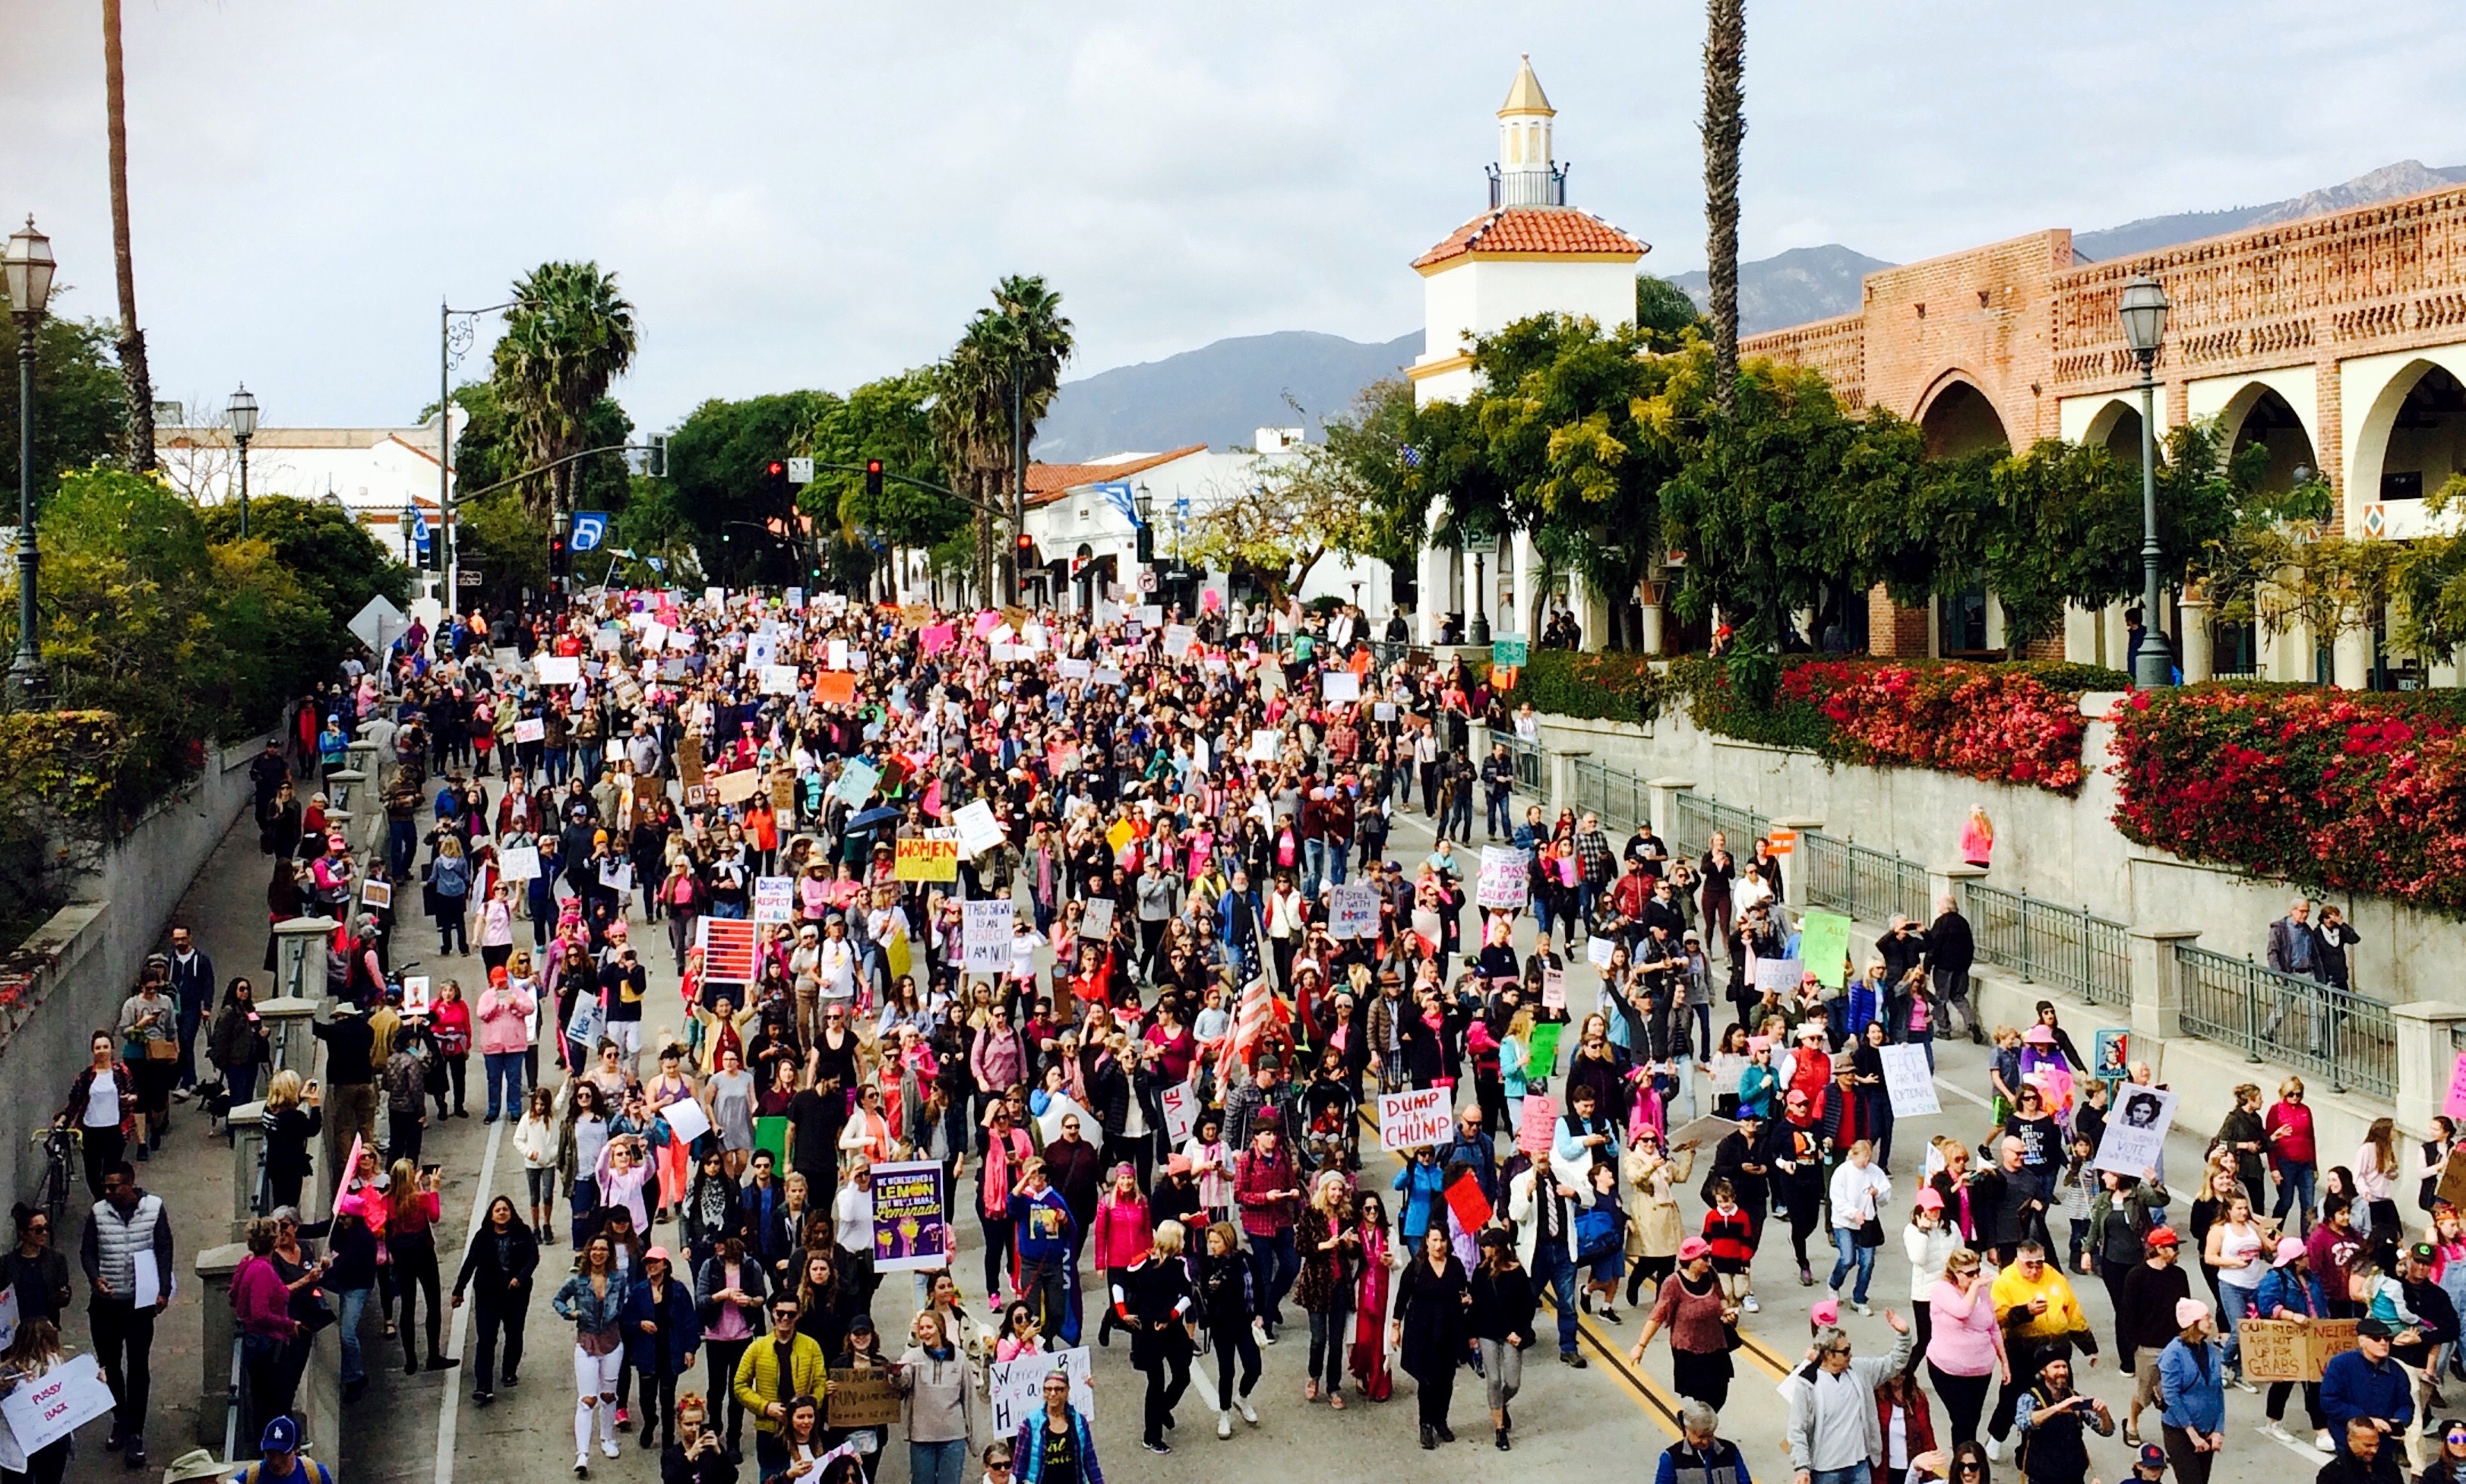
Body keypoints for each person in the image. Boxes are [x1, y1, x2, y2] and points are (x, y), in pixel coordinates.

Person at [81, 1159, 172, 1467]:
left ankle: (135, 1431)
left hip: (138, 1304)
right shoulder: (97, 1212)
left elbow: (164, 1248)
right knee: (110, 1365)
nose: (107, 1191)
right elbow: (88, 1251)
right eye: (105, 1186)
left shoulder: (154, 1208)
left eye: (113, 1186)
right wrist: (95, 1278)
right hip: (106, 1305)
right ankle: (120, 1417)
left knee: (138, 1367)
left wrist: (163, 1289)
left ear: (130, 1184)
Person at [1784, 1315, 1917, 1484]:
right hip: (1826, 1471)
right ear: (1828, 1355)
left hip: (1859, 1466)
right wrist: (1802, 1467)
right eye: (1845, 1351)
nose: (1850, 1354)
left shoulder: (1860, 1370)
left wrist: (1904, 1335)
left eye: (1850, 1348)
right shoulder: (1808, 1384)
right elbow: (1797, 1429)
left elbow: (1894, 1363)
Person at [1111, 1219, 1196, 1454]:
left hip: (1171, 1326)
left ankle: (1162, 1410)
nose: (1185, 1242)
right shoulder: (1142, 1263)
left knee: (1182, 1376)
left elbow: (1189, 1295)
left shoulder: (1182, 1265)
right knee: (1156, 1382)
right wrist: (1122, 1312)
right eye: (1181, 1238)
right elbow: (1118, 1284)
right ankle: (1152, 1436)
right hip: (1146, 1330)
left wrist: (1172, 1315)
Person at [1631, 1236, 1740, 1412]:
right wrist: (1640, 1345)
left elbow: (1721, 1299)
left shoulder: (1710, 1274)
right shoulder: (1673, 1284)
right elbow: (1658, 1315)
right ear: (1691, 1260)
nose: (1708, 1261)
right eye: (1704, 1258)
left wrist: (1726, 1312)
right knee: (1702, 1400)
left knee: (1720, 1395)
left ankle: (1699, 1429)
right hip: (1690, 1351)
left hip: (1716, 1345)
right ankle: (1696, 1431)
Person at [452, 1195, 539, 1407]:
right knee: (486, 1339)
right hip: (488, 1294)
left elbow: (533, 1257)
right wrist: (459, 1290)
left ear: (511, 1212)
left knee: (514, 1332)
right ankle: (483, 1385)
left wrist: (521, 1277)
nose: (502, 1213)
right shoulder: (482, 1237)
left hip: (515, 1294)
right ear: (491, 1215)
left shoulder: (523, 1232)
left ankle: (509, 1371)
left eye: (505, 1209)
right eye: (498, 1210)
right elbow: (470, 1262)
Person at [556, 1235, 634, 1476]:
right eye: (595, 1249)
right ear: (589, 1252)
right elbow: (558, 1299)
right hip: (587, 1341)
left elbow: (625, 1302)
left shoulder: (619, 1279)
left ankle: (607, 1438)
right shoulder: (578, 1280)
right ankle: (582, 1454)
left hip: (612, 1340)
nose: (598, 1253)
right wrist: (570, 1313)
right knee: (588, 1399)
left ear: (609, 1254)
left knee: (609, 1395)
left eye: (603, 1249)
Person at [729, 1299, 825, 1484]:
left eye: (791, 1314)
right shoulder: (757, 1348)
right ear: (773, 1313)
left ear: (798, 1315)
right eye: (781, 1313)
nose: (785, 1318)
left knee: (808, 1476)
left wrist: (809, 1405)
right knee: (770, 1477)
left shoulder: (811, 1346)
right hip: (770, 1428)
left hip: (804, 1429)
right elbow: (740, 1385)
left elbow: (820, 1382)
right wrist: (765, 1407)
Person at [1393, 1224, 1470, 1450]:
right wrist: (1395, 1327)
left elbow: (1464, 1289)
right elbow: (1402, 1297)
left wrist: (1467, 1300)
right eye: (1434, 1240)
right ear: (1426, 1241)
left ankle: (1440, 1420)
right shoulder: (1416, 1267)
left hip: (1449, 1329)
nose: (1439, 1246)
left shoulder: (1455, 1265)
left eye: (1442, 1241)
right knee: (1428, 1380)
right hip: (1422, 1331)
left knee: (1446, 1380)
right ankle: (1425, 1423)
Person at [1928, 1246, 2010, 1447]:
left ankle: (1968, 1459)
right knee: (1962, 1421)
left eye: (1977, 1272)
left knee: (1972, 1421)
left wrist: (2004, 1363)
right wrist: (1975, 1287)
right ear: (1956, 1274)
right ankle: (1964, 1466)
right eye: (1970, 1274)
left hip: (1981, 1370)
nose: (1976, 1277)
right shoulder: (1942, 1290)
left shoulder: (1981, 1292)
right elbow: (1962, 1311)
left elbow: (1993, 1328)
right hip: (1949, 1370)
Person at [1469, 1227, 1536, 1449]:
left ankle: (1500, 1403)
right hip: (1488, 1332)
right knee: (1494, 1380)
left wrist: (1519, 1331)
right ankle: (1499, 1429)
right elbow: (1477, 1307)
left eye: (1486, 1245)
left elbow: (1527, 1306)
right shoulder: (1480, 1273)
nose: (1482, 1248)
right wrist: (1471, 1335)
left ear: (1496, 1249)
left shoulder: (1517, 1273)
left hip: (1511, 1336)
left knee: (1513, 1383)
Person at [1195, 1220, 1262, 1437]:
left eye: (1216, 1241)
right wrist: (1212, 1287)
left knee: (1254, 1366)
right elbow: (1203, 1291)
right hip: (1220, 1323)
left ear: (1228, 1240)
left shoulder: (1245, 1260)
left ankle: (1241, 1398)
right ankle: (1224, 1413)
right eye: (1210, 1242)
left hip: (1244, 1321)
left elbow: (1258, 1287)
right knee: (1227, 1370)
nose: (1213, 1246)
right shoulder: (1207, 1264)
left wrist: (1260, 1314)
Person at [2324, 1319, 2417, 1468]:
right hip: (2349, 1442)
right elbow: (2330, 1401)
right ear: (2361, 1342)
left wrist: (2400, 1420)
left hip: (2384, 1445)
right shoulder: (2341, 1365)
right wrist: (2366, 1421)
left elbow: (2406, 1404)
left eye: (2387, 1339)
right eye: (2376, 1338)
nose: (2383, 1343)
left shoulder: (2396, 1371)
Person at [2012, 1353, 2116, 1484]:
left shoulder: (2076, 1398)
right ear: (2043, 1371)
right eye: (2056, 1367)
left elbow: (2107, 1431)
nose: (2062, 1371)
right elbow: (2023, 1422)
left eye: (2064, 1367)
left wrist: (2104, 1413)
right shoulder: (2030, 1398)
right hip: (2042, 1476)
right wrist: (2057, 1409)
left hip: (2074, 1476)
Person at [2157, 1300, 2229, 1484]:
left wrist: (2219, 1429)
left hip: (2207, 1428)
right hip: (2180, 1430)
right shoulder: (2173, 1354)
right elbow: (2172, 1395)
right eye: (2206, 1318)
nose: (2211, 1322)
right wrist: (2192, 1434)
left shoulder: (2212, 1351)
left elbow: (2217, 1392)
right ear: (2194, 1322)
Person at [1010, 1369, 1102, 1484]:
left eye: (1058, 1389)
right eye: (1048, 1389)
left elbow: (1090, 1461)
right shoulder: (1031, 1422)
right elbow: (1019, 1464)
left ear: (1067, 1391)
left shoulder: (1079, 1422)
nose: (1052, 1394)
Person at [1655, 1401, 1756, 1484]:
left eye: (1710, 1435)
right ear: (1688, 1429)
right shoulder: (1671, 1458)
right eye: (1701, 1437)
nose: (1706, 1442)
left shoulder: (1730, 1451)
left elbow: (1745, 1481)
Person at [659, 1391, 738, 1484]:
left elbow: (732, 1478)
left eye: (698, 1423)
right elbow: (671, 1481)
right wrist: (690, 1456)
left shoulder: (712, 1450)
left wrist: (720, 1454)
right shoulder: (670, 1455)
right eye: (688, 1424)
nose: (694, 1429)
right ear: (680, 1425)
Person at [231, 1415, 334, 1484]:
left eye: (283, 1454)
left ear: (296, 1448)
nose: (276, 1461)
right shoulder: (253, 1476)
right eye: (270, 1453)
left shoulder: (314, 1474)